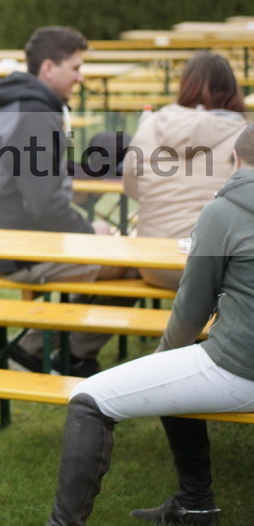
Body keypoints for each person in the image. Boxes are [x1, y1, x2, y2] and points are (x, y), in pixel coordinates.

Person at [48, 123, 254, 525]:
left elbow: (191, 313)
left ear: (234, 160)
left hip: (241, 367)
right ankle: (195, 506)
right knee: (174, 375)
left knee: (89, 399)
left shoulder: (225, 210)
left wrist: (161, 357)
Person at [0, 26, 130, 378]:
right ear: (47, 69)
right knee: (135, 266)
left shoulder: (20, 103)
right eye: (74, 68)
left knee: (116, 256)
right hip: (18, 248)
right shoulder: (35, 115)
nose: (80, 77)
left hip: (6, 238)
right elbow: (48, 207)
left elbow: (42, 191)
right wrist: (91, 232)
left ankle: (31, 348)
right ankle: (73, 355)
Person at [122, 51, 247, 290]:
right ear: (231, 90)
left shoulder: (150, 125)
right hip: (218, 269)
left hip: (153, 264)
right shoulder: (244, 135)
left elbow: (131, 186)